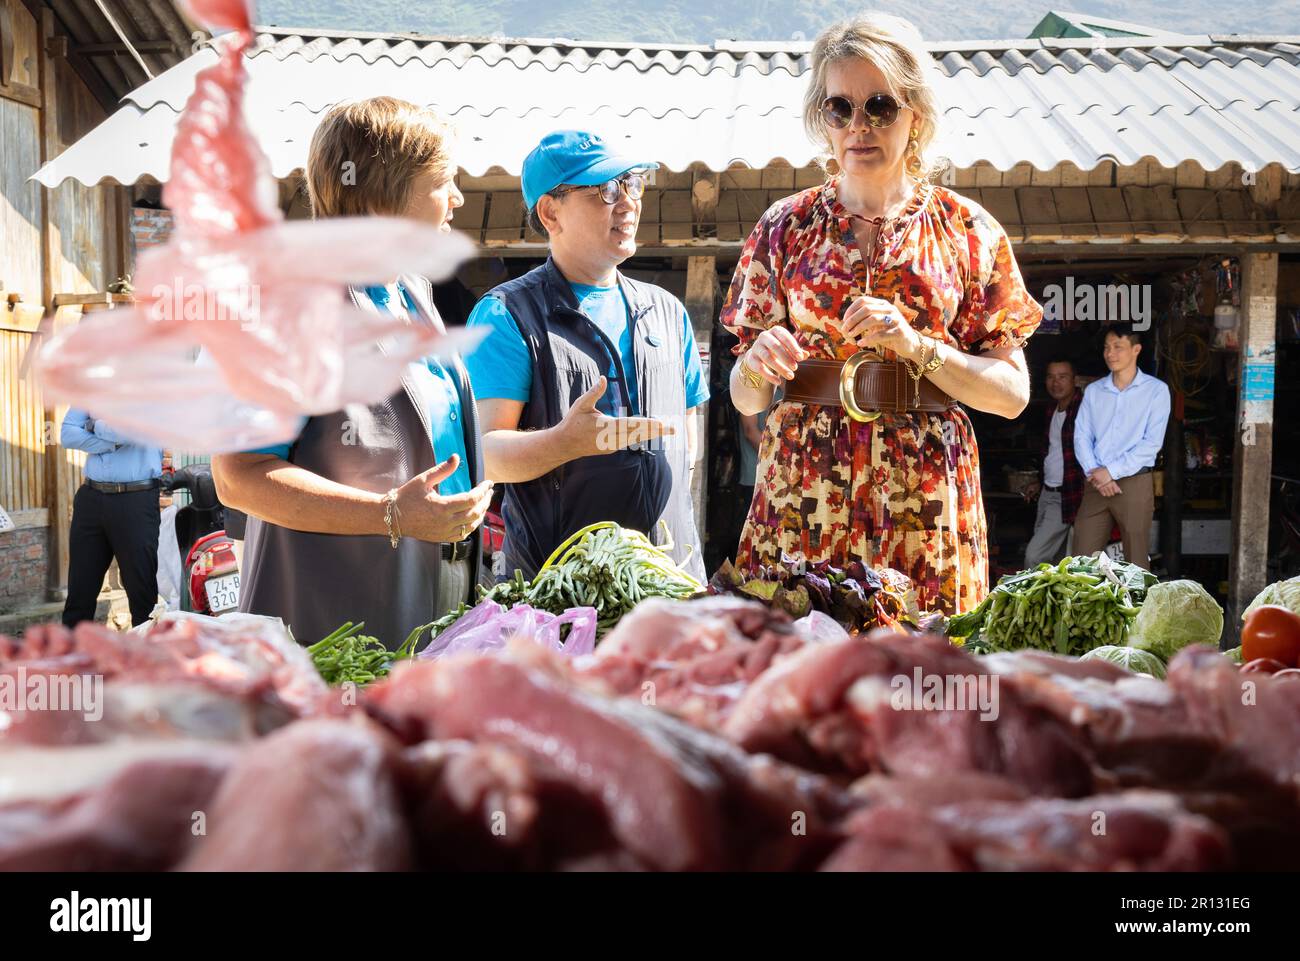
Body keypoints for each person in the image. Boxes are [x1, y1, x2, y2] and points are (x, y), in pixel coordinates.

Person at [722, 12, 1042, 616]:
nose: (858, 126)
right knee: (798, 676)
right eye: (839, 108)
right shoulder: (784, 228)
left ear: (915, 114)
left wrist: (920, 347)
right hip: (802, 485)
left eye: (880, 106)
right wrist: (757, 367)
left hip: (924, 491)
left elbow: (1011, 395)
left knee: (923, 673)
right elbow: (744, 398)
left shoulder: (968, 230)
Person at [212, 97, 494, 648]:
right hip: (336, 610)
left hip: (443, 584)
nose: (458, 198)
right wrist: (389, 514)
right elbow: (237, 474)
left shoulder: (412, 291)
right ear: (380, 192)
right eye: (443, 180)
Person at [464, 130, 710, 582]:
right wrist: (564, 443)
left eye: (633, 184)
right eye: (606, 190)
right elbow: (485, 455)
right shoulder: (505, 315)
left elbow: (687, 441)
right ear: (550, 211)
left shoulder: (667, 312)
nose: (628, 202)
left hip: (673, 582)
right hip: (564, 592)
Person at [1071, 323, 1171, 569]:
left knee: (1136, 561)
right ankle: (1085, 607)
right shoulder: (1094, 391)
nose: (1110, 354)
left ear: (1136, 349)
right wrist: (1096, 473)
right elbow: (1081, 436)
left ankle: (1138, 608)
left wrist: (1111, 472)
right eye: (1107, 348)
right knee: (1081, 560)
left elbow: (1152, 443)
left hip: (1134, 483)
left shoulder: (1156, 391)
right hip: (1096, 483)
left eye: (1118, 347)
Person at [59, 410, 163, 627]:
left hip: (136, 499)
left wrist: (93, 424)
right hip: (91, 497)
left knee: (141, 594)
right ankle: (70, 657)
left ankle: (145, 657)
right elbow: (67, 435)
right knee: (79, 592)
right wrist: (110, 443)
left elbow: (128, 433)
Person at [1022, 358, 1084, 567]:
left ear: (1075, 380)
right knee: (1057, 562)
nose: (1055, 383)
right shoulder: (1052, 409)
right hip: (1048, 493)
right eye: (1051, 377)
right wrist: (1040, 482)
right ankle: (1051, 600)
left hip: (1067, 496)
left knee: (1034, 556)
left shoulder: (1083, 410)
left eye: (1062, 377)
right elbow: (1053, 454)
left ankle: (1027, 599)